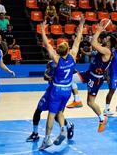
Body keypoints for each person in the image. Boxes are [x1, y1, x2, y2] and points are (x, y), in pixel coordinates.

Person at [39, 17, 84, 150]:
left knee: (51, 115)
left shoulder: (57, 59)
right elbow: (78, 39)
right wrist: (81, 25)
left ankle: (47, 139)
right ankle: (63, 129)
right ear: (68, 49)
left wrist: (42, 30)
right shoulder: (73, 56)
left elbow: (47, 44)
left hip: (57, 90)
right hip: (67, 90)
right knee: (59, 111)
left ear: (59, 51)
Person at [68, 20, 114, 133]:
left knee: (90, 102)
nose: (105, 38)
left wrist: (99, 30)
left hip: (96, 79)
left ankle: (102, 119)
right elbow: (93, 42)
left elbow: (93, 43)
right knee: (68, 78)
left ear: (110, 43)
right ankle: (77, 100)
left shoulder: (107, 51)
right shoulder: (103, 47)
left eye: (107, 39)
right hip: (89, 73)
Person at [26, 60, 74, 142]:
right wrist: (50, 77)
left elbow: (73, 76)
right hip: (50, 92)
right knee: (38, 110)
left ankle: (69, 126)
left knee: (57, 116)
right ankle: (35, 133)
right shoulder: (51, 63)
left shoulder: (67, 63)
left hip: (59, 92)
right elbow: (45, 75)